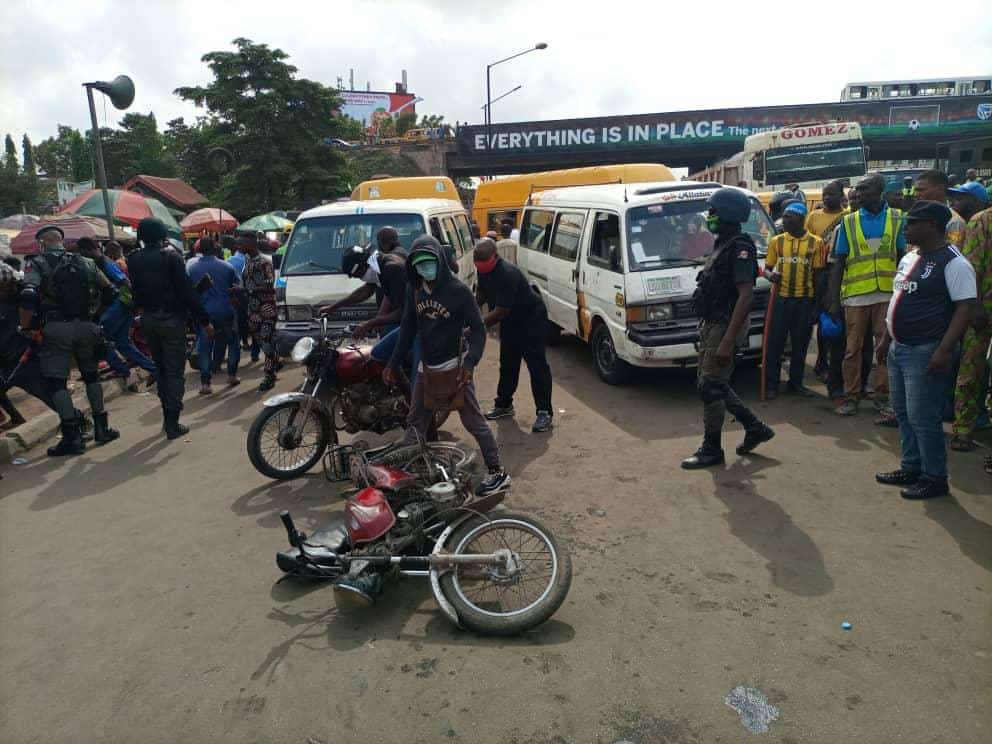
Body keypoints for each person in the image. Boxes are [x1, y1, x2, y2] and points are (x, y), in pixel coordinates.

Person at [384, 235, 509, 496]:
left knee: (473, 422)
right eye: (419, 265)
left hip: (454, 368)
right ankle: (408, 477)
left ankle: (497, 472)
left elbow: (478, 329)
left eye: (429, 263)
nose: (425, 269)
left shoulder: (458, 291)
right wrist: (393, 363)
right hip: (425, 368)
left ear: (439, 261)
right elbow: (407, 329)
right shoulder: (415, 289)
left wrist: (471, 364)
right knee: (416, 422)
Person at [875, 201, 978, 499]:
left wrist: (944, 350)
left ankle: (934, 477)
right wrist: (885, 339)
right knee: (904, 413)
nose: (906, 227)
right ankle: (911, 466)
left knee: (924, 416)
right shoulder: (909, 257)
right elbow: (897, 300)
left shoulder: (954, 262)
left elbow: (965, 308)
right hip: (899, 347)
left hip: (926, 349)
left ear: (931, 225)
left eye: (912, 223)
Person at [681, 188, 774, 469]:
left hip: (726, 325)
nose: (709, 217)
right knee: (713, 383)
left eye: (713, 212)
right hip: (713, 324)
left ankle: (712, 449)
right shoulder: (723, 243)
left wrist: (726, 342)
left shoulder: (740, 248)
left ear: (728, 214)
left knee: (710, 386)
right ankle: (755, 427)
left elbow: (746, 295)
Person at [18, 225, 120, 455]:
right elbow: (111, 291)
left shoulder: (37, 263)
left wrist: (26, 327)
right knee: (91, 376)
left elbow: (28, 294)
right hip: (86, 326)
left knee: (57, 382)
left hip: (56, 329)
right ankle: (102, 429)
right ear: (62, 242)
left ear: (42, 243)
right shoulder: (85, 262)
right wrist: (95, 317)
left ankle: (73, 438)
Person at [827, 173, 906, 416]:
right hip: (856, 296)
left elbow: (903, 257)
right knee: (853, 350)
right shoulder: (848, 222)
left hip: (887, 294)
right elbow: (838, 263)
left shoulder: (897, 218)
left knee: (884, 349)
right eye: (857, 190)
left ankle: (882, 396)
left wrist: (903, 294)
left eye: (864, 189)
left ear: (879, 191)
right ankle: (851, 395)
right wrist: (832, 300)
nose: (858, 194)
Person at [128, 217, 213, 438]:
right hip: (171, 321)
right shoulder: (171, 257)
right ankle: (172, 423)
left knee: (161, 369)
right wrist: (204, 321)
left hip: (148, 321)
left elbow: (136, 291)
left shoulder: (134, 259)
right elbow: (186, 293)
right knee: (174, 372)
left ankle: (168, 415)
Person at [474, 238, 554, 433]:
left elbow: (500, 311)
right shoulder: (483, 270)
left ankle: (544, 411)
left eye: (484, 262)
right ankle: (504, 405)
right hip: (511, 320)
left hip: (530, 319)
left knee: (537, 365)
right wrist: (471, 312)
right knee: (508, 363)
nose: (481, 267)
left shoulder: (507, 274)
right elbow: (482, 295)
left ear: (495, 256)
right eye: (478, 264)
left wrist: (476, 325)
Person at [77, 237, 157, 389]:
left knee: (100, 339)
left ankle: (123, 371)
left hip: (119, 304)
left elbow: (124, 281)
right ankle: (153, 369)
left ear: (85, 250)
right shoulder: (103, 261)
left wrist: (136, 302)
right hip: (124, 304)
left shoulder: (104, 262)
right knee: (122, 343)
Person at [763, 201, 824, 398]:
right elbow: (767, 269)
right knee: (775, 343)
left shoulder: (816, 243)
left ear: (801, 218)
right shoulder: (776, 241)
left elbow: (818, 276)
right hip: (781, 300)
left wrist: (816, 306)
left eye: (789, 216)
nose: (784, 220)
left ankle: (795, 383)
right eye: (784, 216)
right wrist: (769, 276)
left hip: (804, 302)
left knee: (800, 344)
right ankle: (771, 384)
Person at [949, 200, 992, 451]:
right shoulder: (982, 221)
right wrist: (974, 307)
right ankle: (963, 429)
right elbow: (971, 267)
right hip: (982, 312)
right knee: (971, 371)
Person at [187, 237, 242, 394]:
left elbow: (190, 292)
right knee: (232, 343)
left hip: (204, 314)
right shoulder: (227, 267)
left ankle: (205, 384)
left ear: (199, 250)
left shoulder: (192, 269)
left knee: (205, 348)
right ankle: (232, 375)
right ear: (215, 247)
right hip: (226, 311)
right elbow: (236, 286)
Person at [807, 180, 849, 381]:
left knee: (839, 321)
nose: (826, 198)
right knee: (823, 319)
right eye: (824, 194)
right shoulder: (814, 216)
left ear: (841, 196)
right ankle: (822, 360)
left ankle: (836, 363)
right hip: (819, 274)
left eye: (831, 194)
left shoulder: (848, 217)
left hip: (840, 272)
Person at [240, 231, 278, 391]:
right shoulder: (247, 260)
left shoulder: (264, 262)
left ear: (252, 244)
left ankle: (269, 375)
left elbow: (270, 282)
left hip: (266, 308)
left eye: (243, 243)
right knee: (262, 341)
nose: (240, 246)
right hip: (253, 309)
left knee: (266, 341)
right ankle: (275, 360)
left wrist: (249, 291)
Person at [914, 170, 967, 246]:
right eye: (915, 190)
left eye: (921, 190)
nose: (916, 194)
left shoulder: (954, 222)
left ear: (940, 189)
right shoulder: (917, 216)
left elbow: (951, 253)